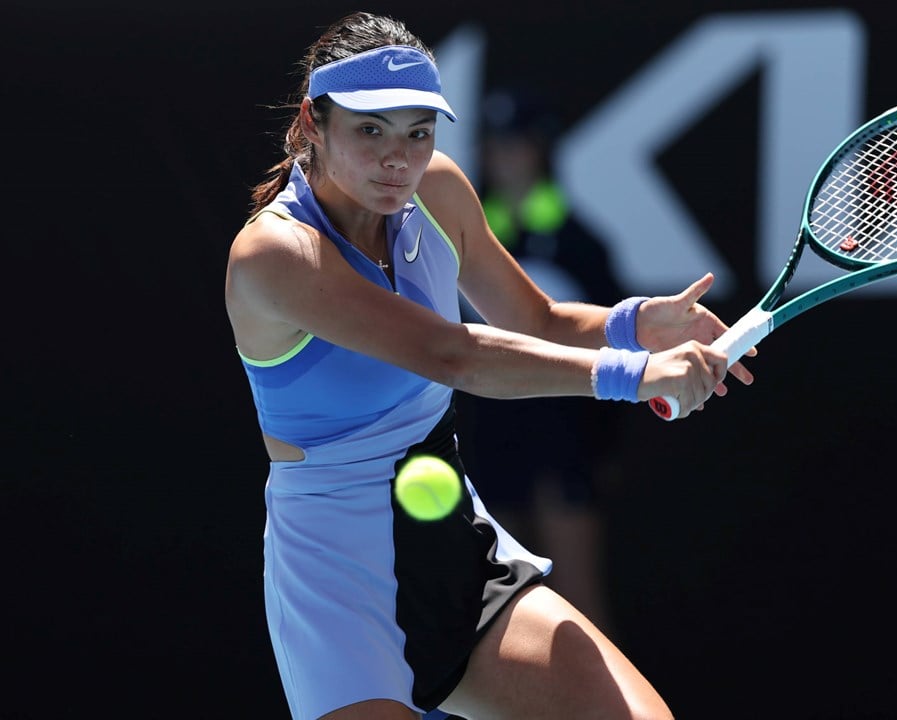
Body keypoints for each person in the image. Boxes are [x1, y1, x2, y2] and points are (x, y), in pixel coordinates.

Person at [224, 10, 755, 720]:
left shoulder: (438, 190)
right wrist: (631, 376)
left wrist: (636, 325)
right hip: (336, 578)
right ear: (313, 123)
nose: (397, 160)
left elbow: (535, 320)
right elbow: (456, 354)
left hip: (455, 547)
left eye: (418, 133)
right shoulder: (272, 256)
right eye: (370, 131)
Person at [456, 87, 627, 637]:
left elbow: (617, 348)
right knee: (494, 611)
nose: (505, 159)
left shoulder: (582, 245)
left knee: (578, 600)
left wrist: (604, 447)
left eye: (517, 146)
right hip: (488, 440)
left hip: (564, 441)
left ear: (539, 152)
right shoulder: (456, 247)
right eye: (495, 147)